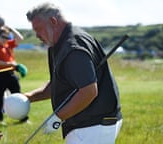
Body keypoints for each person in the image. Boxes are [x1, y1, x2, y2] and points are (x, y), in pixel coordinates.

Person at [25, 2, 122, 144]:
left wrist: (58, 117)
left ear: (53, 21)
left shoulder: (72, 47)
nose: (37, 36)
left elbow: (88, 91)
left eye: (38, 29)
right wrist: (29, 97)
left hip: (93, 127)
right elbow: (60, 84)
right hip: (89, 125)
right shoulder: (59, 44)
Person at [0, 26, 27, 124]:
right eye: (3, 37)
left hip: (11, 73)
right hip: (1, 74)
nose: (5, 39)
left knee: (18, 94)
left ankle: (22, 117)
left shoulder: (8, 44)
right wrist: (9, 64)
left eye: (7, 37)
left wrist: (12, 29)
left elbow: (20, 38)